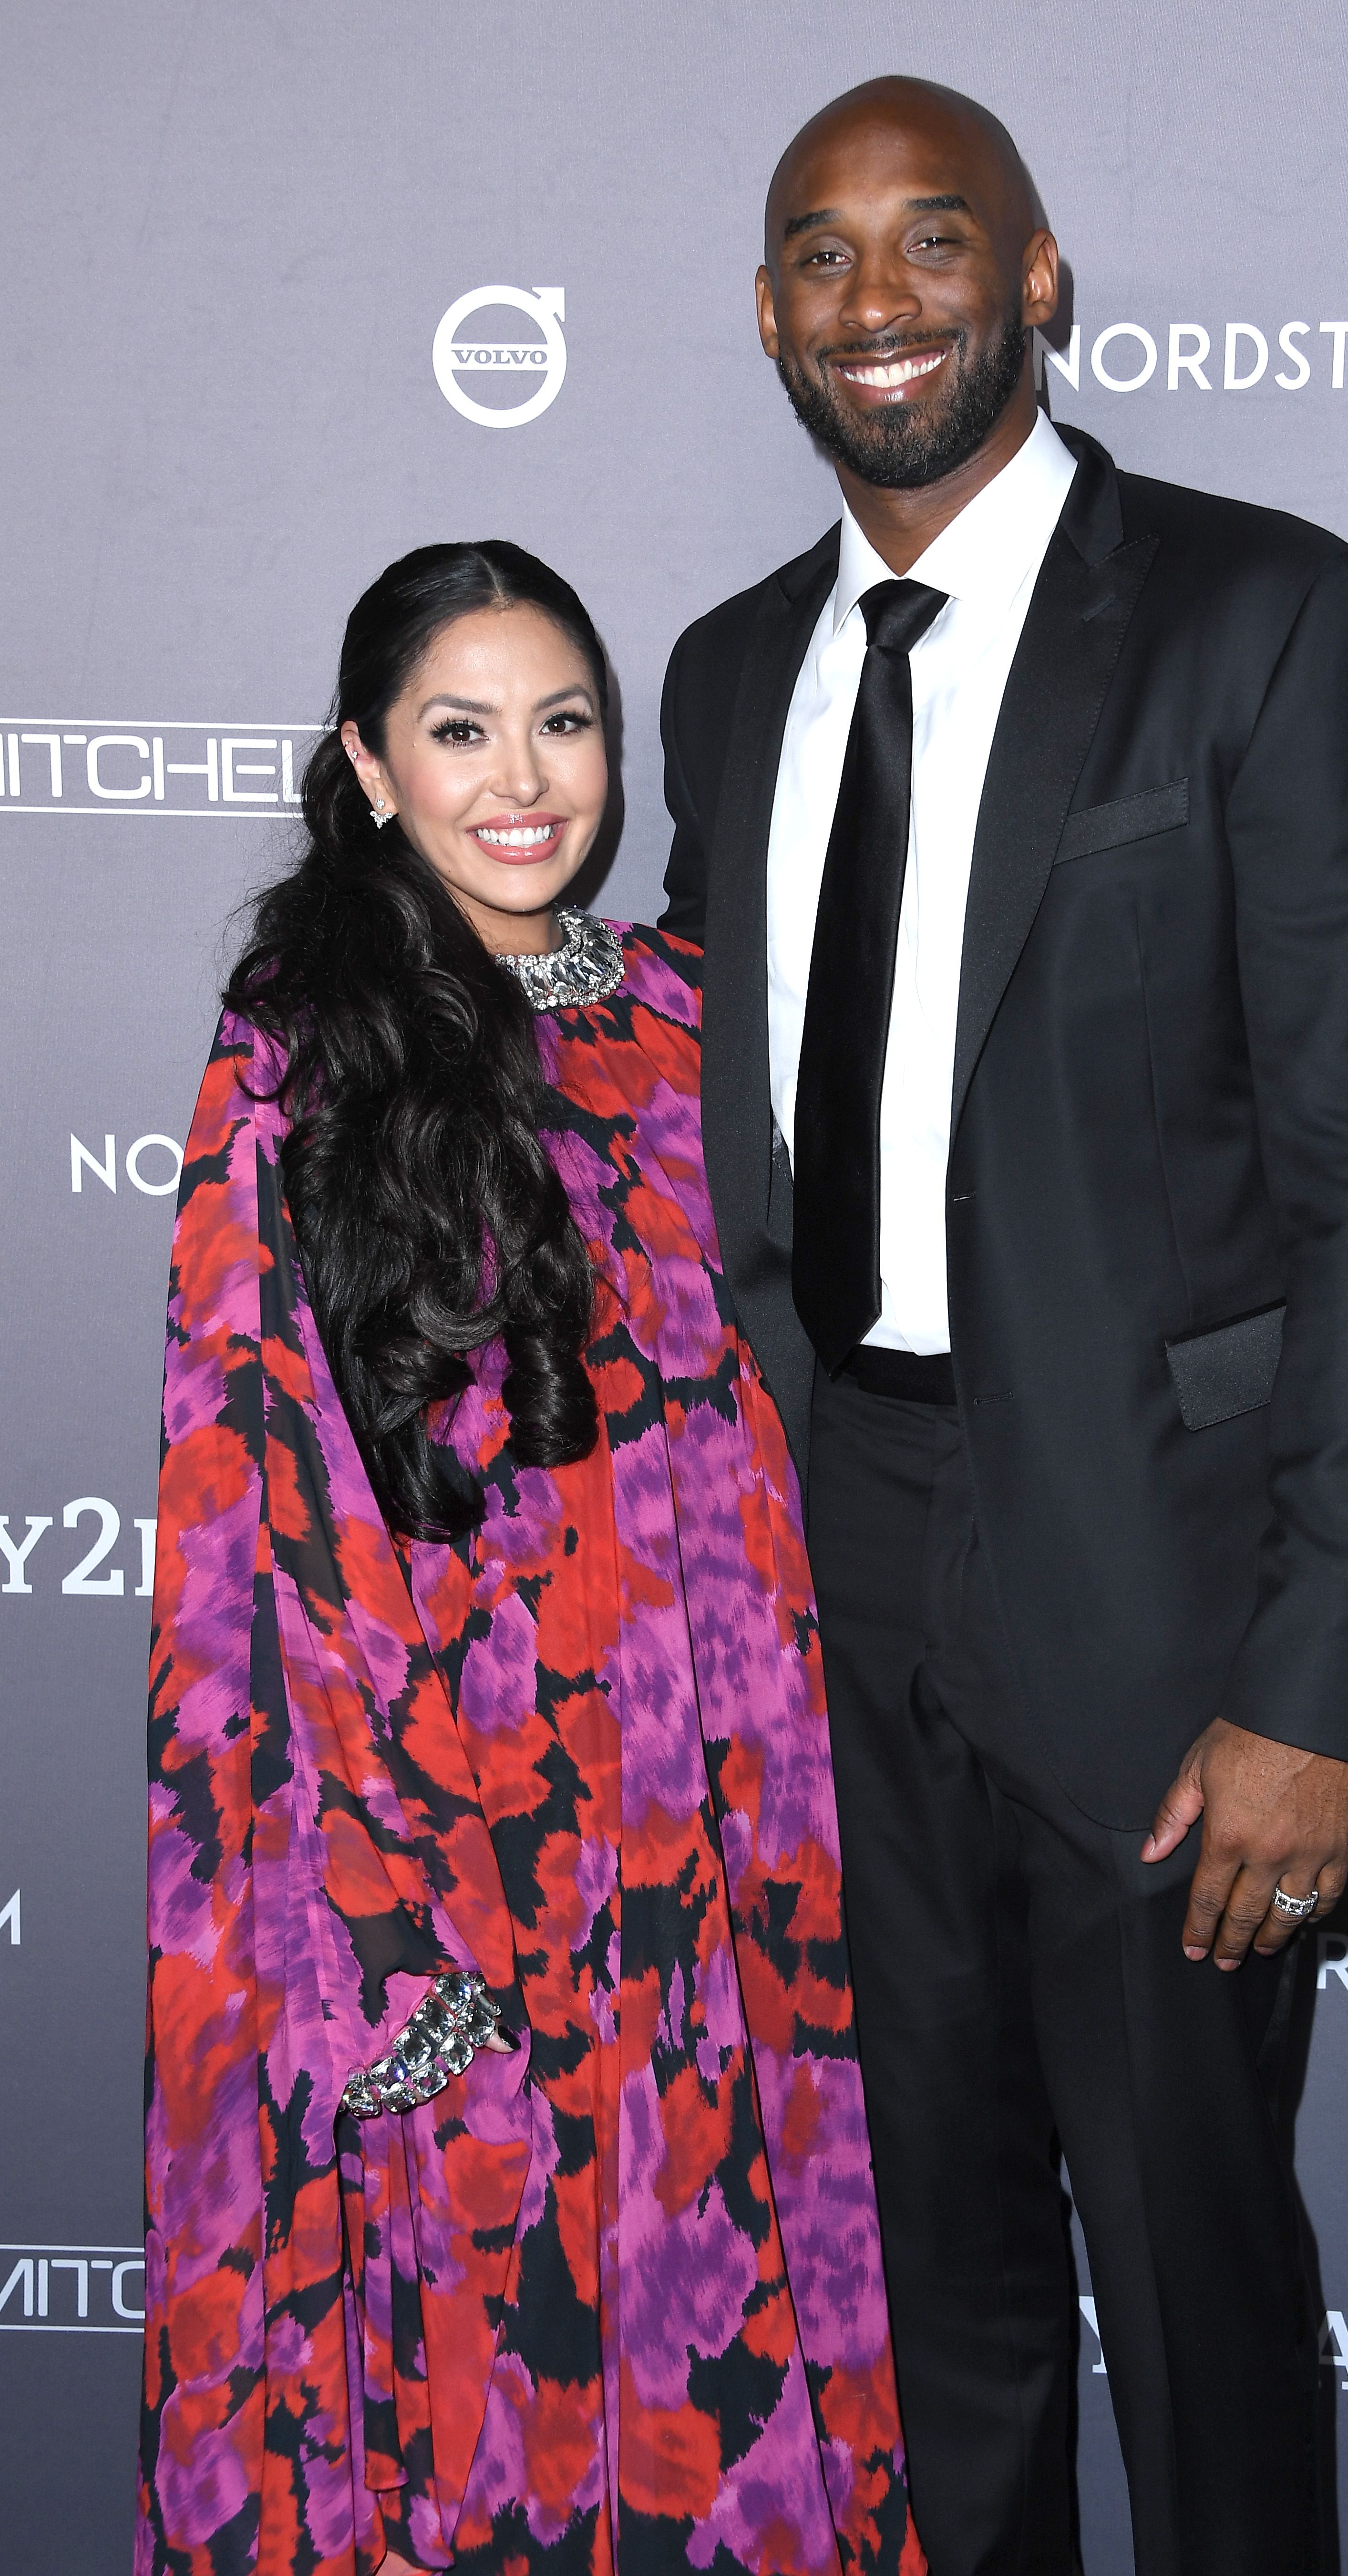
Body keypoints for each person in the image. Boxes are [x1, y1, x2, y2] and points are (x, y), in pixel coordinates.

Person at [659, 76, 1348, 2576]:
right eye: (817, 253)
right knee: (920, 2288)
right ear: (761, 311)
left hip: (1161, 1586)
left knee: (1192, 2290)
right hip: (832, 1563)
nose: (871, 300)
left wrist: (1318, 1683)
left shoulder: (1262, 613)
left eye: (928, 242)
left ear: (1034, 278)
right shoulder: (720, 672)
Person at [138, 541, 924, 2576]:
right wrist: (388, 1910)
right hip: (464, 1823)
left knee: (731, 2366)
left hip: (733, 1821)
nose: (524, 778)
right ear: (368, 765)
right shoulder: (300, 1046)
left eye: (562, 723)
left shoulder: (680, 1010)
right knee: (494, 2385)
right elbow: (260, 1487)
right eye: (461, 729)